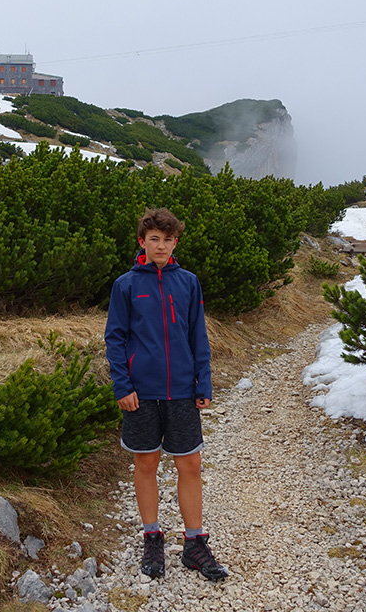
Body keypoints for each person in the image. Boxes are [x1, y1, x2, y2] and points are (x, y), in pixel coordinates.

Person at [104, 207, 228, 581]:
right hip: (141, 393)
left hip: (183, 392)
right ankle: (152, 537)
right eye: (154, 239)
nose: (161, 245)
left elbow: (197, 335)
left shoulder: (188, 282)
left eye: (168, 239)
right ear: (142, 242)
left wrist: (203, 383)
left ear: (175, 243)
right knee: (146, 465)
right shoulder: (126, 285)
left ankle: (194, 544)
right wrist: (123, 385)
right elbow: (115, 338)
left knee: (190, 465)